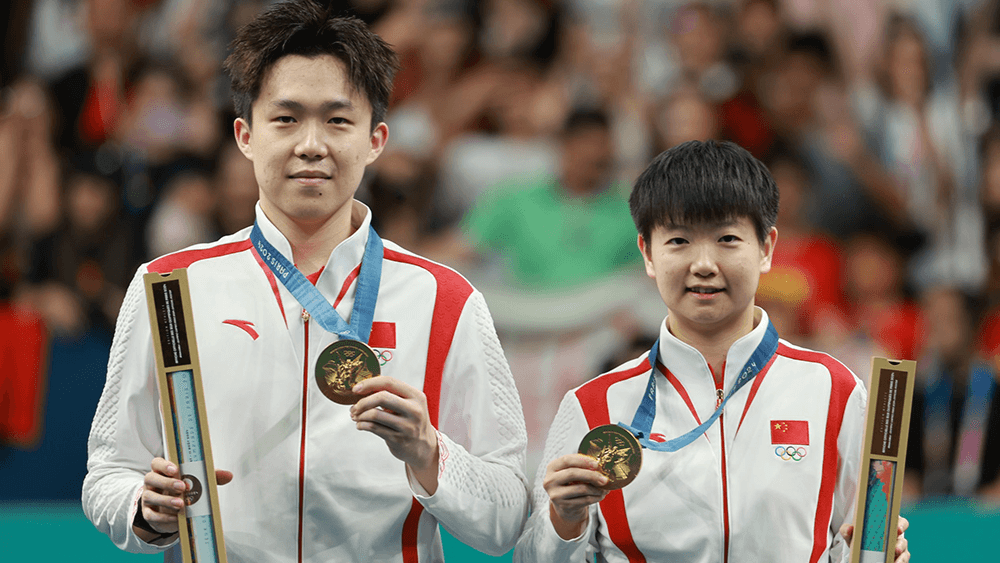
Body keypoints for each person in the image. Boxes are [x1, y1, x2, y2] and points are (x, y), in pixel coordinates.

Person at [82, 2, 529, 562]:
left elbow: (510, 513)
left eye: (338, 120)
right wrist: (144, 512)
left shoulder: (445, 300)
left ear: (376, 140)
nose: (311, 144)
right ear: (245, 135)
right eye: (286, 118)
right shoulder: (171, 287)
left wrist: (428, 452)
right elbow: (108, 474)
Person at [514, 140, 910, 562]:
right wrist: (564, 520)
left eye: (727, 238)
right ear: (648, 253)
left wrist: (876, 554)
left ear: (766, 248)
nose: (703, 264)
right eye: (680, 241)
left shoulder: (835, 390)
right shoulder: (593, 406)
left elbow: (864, 542)